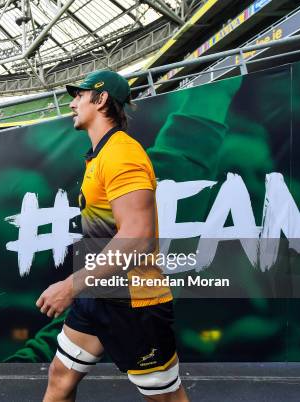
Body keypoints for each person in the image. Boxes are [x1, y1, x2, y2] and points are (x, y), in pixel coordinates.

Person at [36, 70, 189, 401]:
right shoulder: (100, 155)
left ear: (101, 98)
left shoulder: (121, 152)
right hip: (99, 292)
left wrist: (70, 285)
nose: (73, 103)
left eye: (80, 95)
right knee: (60, 377)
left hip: (133, 301)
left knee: (165, 397)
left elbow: (138, 237)